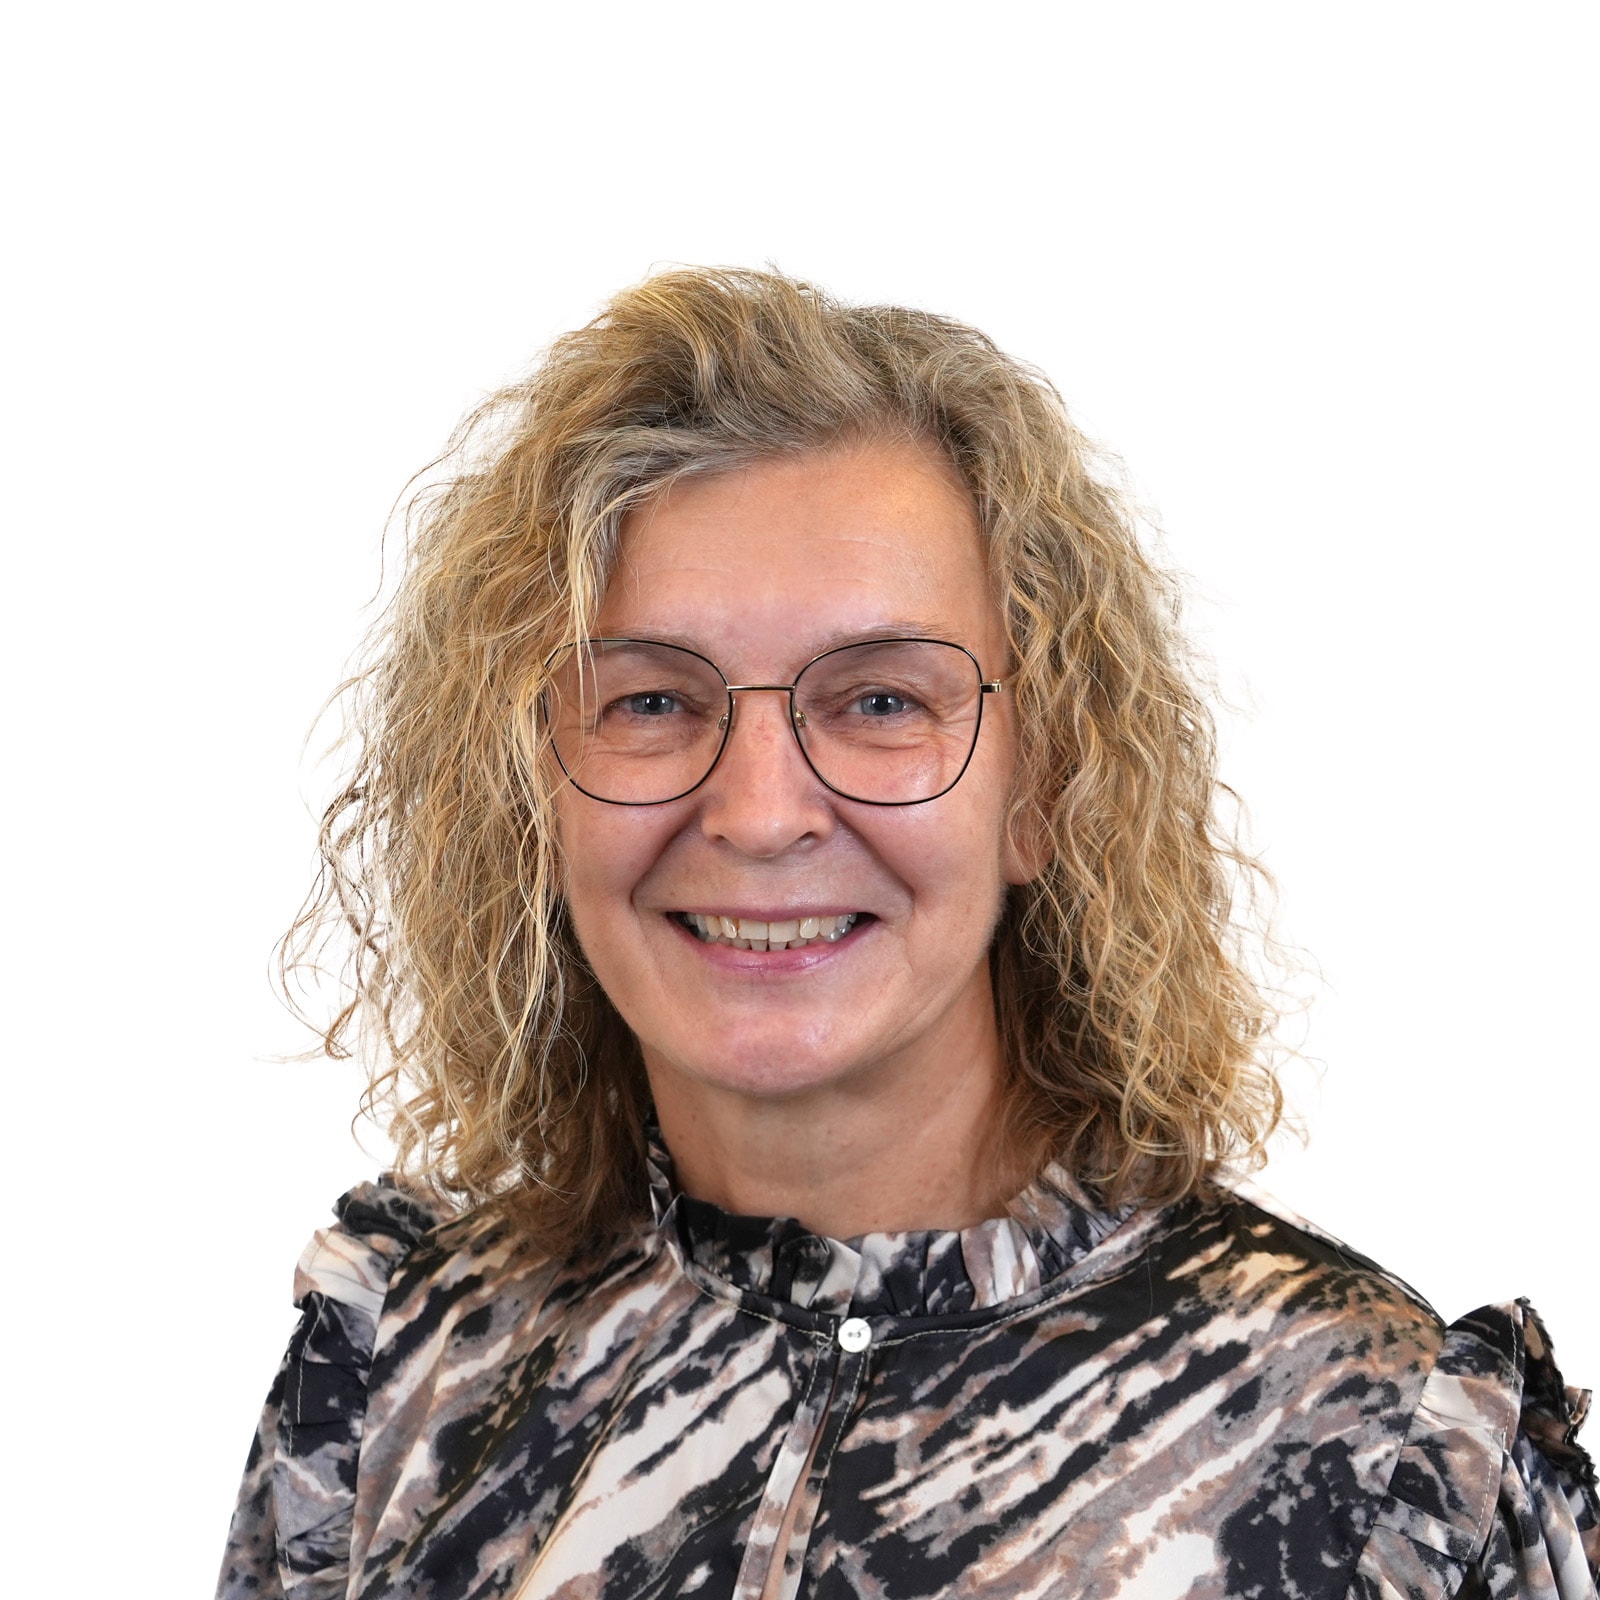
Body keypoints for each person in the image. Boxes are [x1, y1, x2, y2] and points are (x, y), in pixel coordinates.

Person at [217, 268, 1598, 1600]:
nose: (761, 814)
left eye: (882, 702)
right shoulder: (404, 1382)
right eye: (650, 702)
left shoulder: (1377, 1458)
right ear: (530, 791)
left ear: (1043, 791)